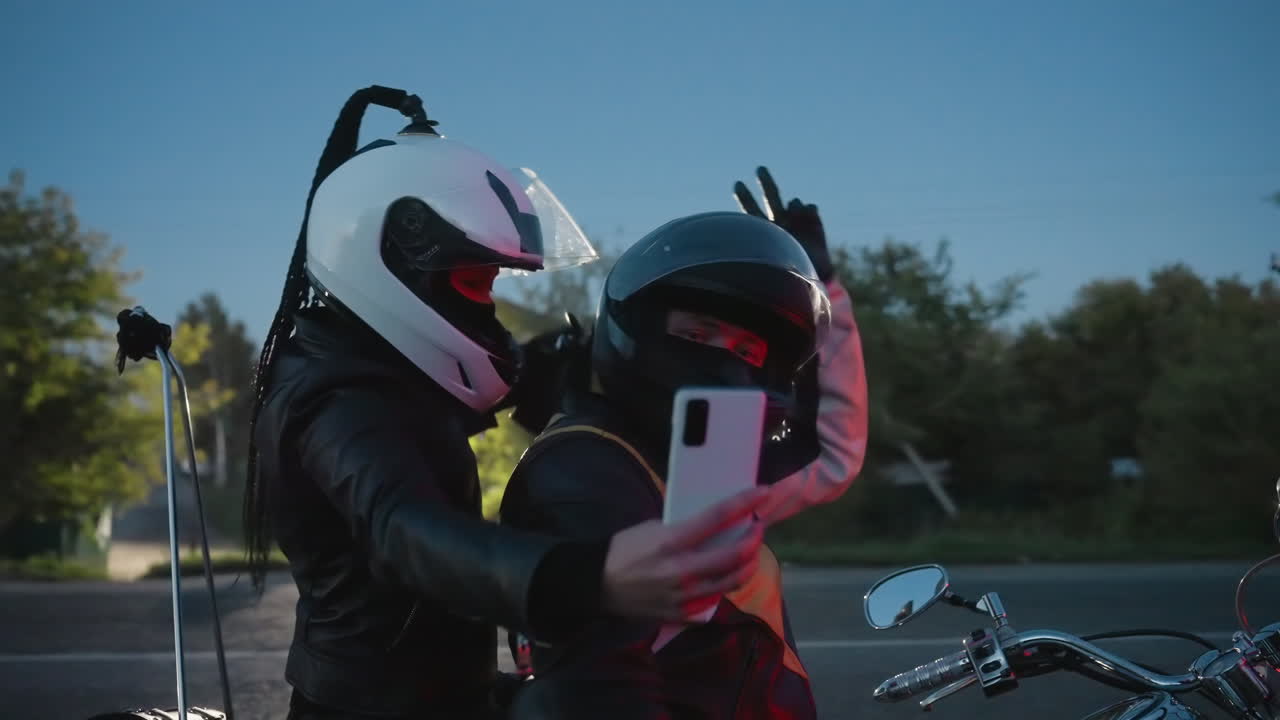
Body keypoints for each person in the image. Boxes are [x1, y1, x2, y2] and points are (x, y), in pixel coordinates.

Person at [242, 85, 771, 720]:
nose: (486, 308)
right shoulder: (335, 400)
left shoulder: (382, 364)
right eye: (473, 281)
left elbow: (526, 392)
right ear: (389, 258)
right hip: (371, 708)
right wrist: (588, 575)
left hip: (446, 693)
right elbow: (404, 534)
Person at [498, 168, 868, 719]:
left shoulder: (710, 464)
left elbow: (832, 448)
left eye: (746, 351)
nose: (721, 360)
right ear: (639, 328)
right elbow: (602, 689)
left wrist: (828, 286)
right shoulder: (588, 473)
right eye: (696, 336)